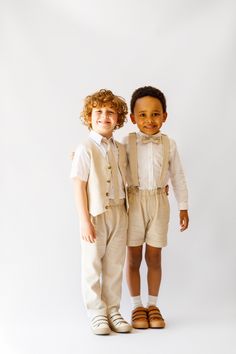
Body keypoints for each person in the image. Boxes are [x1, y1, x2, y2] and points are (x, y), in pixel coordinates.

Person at [123, 86, 189, 329]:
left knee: (154, 256)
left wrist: (183, 206)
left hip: (159, 204)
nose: (149, 120)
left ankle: (153, 304)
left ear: (164, 116)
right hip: (133, 203)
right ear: (132, 118)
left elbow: (178, 176)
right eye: (142, 115)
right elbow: (114, 169)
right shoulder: (126, 143)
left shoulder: (169, 144)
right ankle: (136, 305)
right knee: (133, 258)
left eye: (155, 114)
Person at [70, 89, 131, 335]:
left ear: (118, 119)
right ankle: (96, 312)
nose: (104, 117)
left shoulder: (120, 148)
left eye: (110, 112)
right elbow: (78, 185)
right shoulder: (85, 148)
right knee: (92, 265)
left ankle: (113, 310)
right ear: (89, 116)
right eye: (98, 112)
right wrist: (85, 220)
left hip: (120, 212)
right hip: (96, 214)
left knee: (115, 264)